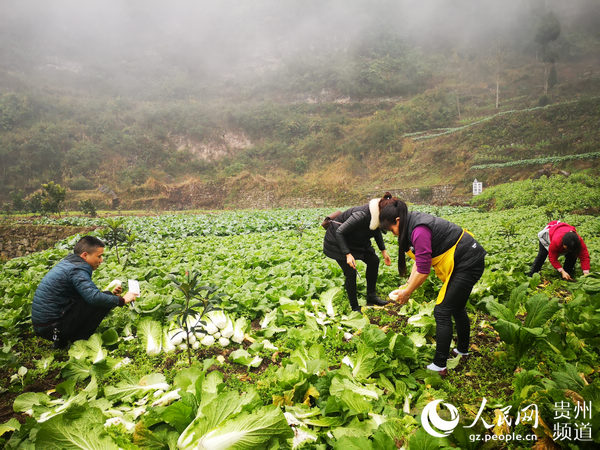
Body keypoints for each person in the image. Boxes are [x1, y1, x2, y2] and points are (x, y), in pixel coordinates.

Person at [379, 196, 486, 376]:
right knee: (457, 307)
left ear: (398, 220)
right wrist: (407, 285)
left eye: (392, 229)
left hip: (467, 262)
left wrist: (407, 293)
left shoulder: (419, 230)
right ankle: (462, 351)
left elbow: (423, 270)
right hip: (466, 259)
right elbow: (420, 260)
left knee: (442, 310)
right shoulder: (411, 223)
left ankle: (439, 365)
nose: (393, 233)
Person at [32, 236, 137, 348]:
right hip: (52, 328)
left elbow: (85, 296)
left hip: (44, 326)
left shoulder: (70, 263)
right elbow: (94, 298)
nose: (101, 260)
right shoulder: (77, 269)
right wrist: (123, 300)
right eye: (99, 256)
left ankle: (63, 341)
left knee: (103, 298)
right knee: (99, 302)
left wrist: (111, 296)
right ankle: (78, 342)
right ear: (85, 255)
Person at [323, 197, 392, 312]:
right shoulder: (361, 215)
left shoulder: (376, 216)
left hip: (357, 240)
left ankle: (371, 296)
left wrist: (383, 251)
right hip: (338, 241)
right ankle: (355, 307)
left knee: (373, 260)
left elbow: (376, 231)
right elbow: (340, 232)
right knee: (350, 272)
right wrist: (347, 254)